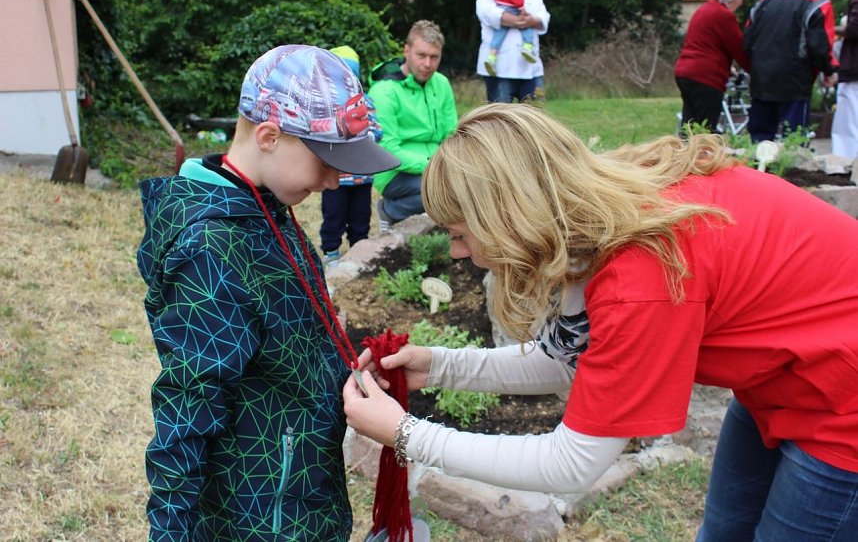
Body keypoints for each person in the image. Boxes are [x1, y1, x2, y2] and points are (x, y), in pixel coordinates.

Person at [343, 103, 858, 541]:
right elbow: (567, 356)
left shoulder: (644, 273)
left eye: (460, 234)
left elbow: (571, 464)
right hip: (784, 381)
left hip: (844, 409)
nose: (458, 254)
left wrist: (407, 434)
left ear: (509, 220)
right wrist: (437, 367)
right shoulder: (593, 213)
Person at [136, 44, 399, 541]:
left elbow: (284, 332)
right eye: (326, 159)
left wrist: (343, 372)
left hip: (300, 491)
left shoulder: (265, 205)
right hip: (258, 516)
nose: (337, 179)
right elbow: (186, 412)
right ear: (269, 136)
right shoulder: (211, 248)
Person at [368, 20, 458, 233]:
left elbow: (452, 133)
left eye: (434, 57)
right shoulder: (384, 91)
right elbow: (387, 149)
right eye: (421, 55)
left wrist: (449, 163)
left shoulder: (442, 83)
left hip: (438, 164)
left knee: (469, 185)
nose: (428, 64)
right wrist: (433, 167)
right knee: (441, 191)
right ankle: (390, 210)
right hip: (394, 171)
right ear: (406, 51)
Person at [743, 0, 839, 142]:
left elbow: (747, 40)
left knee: (760, 139)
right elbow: (819, 45)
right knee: (793, 139)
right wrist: (829, 70)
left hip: (762, 77)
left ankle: (758, 167)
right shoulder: (818, 1)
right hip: (796, 79)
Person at [319, 45, 383, 265]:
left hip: (362, 175)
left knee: (360, 217)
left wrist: (370, 137)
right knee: (333, 216)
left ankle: (359, 249)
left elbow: (376, 128)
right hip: (334, 176)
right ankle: (331, 252)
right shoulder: (325, 103)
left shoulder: (366, 103)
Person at [675, 0, 751, 133]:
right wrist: (755, 69)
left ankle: (684, 154)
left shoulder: (704, 10)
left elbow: (706, 45)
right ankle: (703, 155)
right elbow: (738, 48)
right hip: (705, 77)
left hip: (685, 71)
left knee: (690, 121)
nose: (742, 3)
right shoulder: (724, 15)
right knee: (706, 127)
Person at [476, 0, 549, 103]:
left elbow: (544, 18)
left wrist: (532, 21)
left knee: (535, 115)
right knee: (500, 118)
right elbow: (487, 13)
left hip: (531, 69)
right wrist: (518, 21)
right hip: (500, 68)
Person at [479, 0, 538, 76]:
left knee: (499, 31)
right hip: (512, 5)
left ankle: (492, 56)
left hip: (500, 5)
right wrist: (521, 7)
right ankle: (528, 47)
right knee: (527, 24)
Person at [832, 0, 858, 159]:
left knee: (847, 128)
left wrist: (828, 29)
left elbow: (855, 27)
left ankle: (846, 168)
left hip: (855, 67)